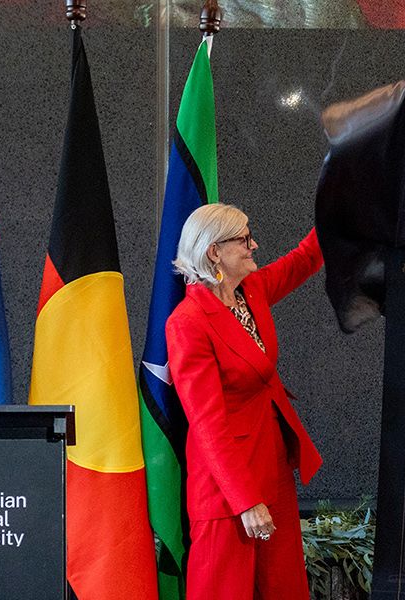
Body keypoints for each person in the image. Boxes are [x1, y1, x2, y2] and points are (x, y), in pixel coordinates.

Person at [165, 203, 325, 600]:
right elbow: (207, 424)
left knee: (283, 588)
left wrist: (340, 207)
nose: (254, 245)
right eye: (244, 238)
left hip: (272, 465)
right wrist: (246, 501)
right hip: (226, 487)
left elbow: (304, 259)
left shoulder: (251, 291)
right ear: (214, 252)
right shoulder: (187, 323)